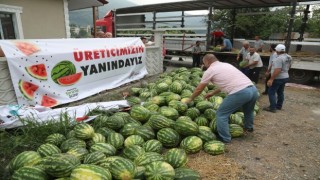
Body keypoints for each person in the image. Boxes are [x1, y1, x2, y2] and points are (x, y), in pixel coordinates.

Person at [186, 54, 259, 143]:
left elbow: (199, 89)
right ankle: (249, 128)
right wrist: (212, 93)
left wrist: (190, 99)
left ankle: (225, 138)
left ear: (207, 62)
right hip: (253, 89)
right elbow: (228, 82)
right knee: (248, 110)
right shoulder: (227, 65)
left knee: (221, 114)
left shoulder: (210, 70)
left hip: (240, 92)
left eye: (204, 63)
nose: (204, 65)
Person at [264, 44, 292, 113]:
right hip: (285, 76)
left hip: (278, 78)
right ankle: (279, 106)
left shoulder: (279, 58)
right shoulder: (289, 56)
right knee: (280, 92)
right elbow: (289, 66)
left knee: (271, 92)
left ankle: (272, 108)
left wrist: (271, 79)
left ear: (277, 50)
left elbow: (278, 70)